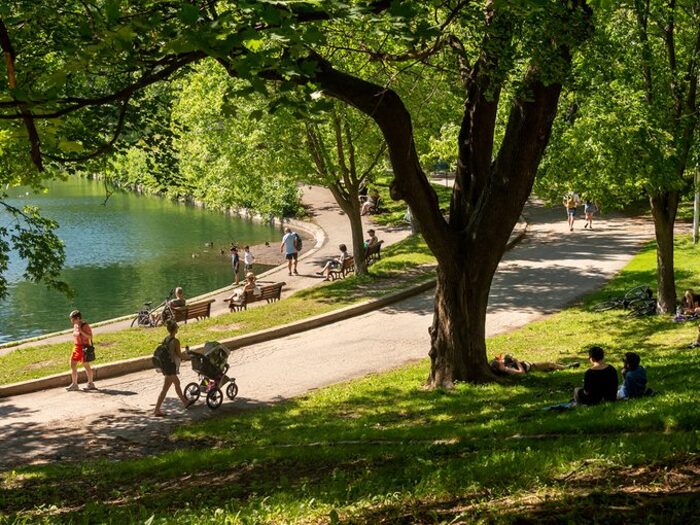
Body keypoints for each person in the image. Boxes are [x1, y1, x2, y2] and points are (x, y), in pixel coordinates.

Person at [153, 320, 194, 416]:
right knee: (165, 389)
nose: (178, 328)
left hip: (166, 365)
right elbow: (179, 355)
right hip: (171, 366)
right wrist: (189, 357)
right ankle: (156, 410)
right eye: (177, 327)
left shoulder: (166, 339)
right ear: (175, 329)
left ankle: (185, 402)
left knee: (177, 383)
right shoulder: (176, 341)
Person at [66, 310, 97, 391]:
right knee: (72, 364)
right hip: (76, 347)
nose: (71, 320)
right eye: (71, 319)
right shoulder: (75, 325)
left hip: (84, 348)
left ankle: (91, 383)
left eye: (72, 319)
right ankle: (74, 384)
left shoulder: (85, 325)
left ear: (78, 318)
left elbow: (90, 337)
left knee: (86, 365)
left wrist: (81, 331)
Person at [489, 353, 579, 375]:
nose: (501, 361)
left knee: (552, 365)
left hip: (529, 364)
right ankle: (567, 367)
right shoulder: (507, 369)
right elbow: (521, 372)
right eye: (499, 362)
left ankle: (554, 368)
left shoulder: (503, 367)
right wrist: (516, 361)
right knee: (550, 363)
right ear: (499, 366)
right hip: (531, 367)